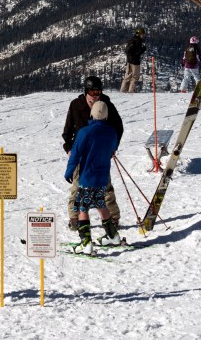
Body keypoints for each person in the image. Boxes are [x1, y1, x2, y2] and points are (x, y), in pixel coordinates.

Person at [62, 75, 123, 232]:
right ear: (86, 91)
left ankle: (114, 217)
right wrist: (69, 149)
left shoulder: (106, 103)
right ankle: (74, 218)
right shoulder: (76, 105)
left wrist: (112, 147)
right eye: (93, 93)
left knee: (106, 188)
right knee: (77, 188)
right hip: (81, 155)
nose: (96, 96)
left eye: (98, 92)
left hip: (99, 155)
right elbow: (67, 131)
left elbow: (118, 126)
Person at [65, 100, 121, 249]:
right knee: (101, 204)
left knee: (83, 207)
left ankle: (86, 242)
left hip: (87, 178)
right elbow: (113, 148)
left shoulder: (85, 132)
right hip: (102, 177)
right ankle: (113, 236)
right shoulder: (112, 132)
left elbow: (75, 155)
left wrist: (69, 172)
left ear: (92, 113)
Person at [120, 28, 147, 93]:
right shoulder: (138, 41)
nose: (143, 36)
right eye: (143, 34)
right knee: (135, 77)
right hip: (135, 62)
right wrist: (143, 49)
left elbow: (128, 50)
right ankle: (131, 92)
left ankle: (123, 91)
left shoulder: (132, 40)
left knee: (127, 77)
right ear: (139, 34)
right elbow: (138, 52)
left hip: (129, 61)